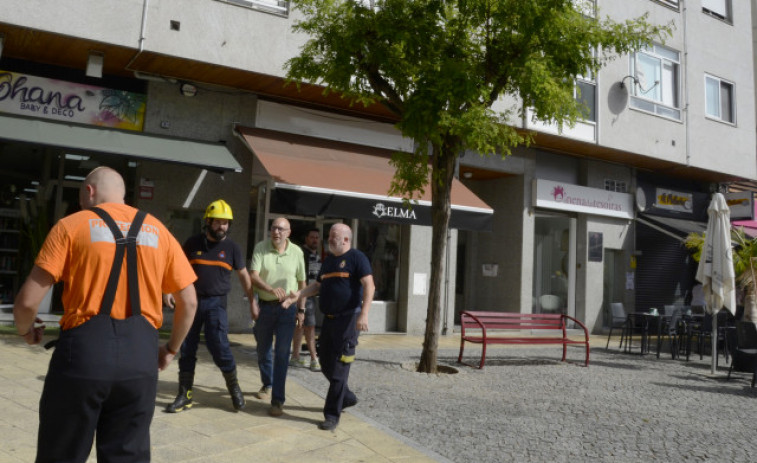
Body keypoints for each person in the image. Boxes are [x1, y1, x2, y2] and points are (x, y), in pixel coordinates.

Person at [13, 166, 197, 463]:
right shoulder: (159, 231)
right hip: (140, 361)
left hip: (83, 359)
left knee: (62, 453)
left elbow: (26, 303)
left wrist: (25, 331)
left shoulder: (71, 226)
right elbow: (188, 302)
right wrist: (170, 349)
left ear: (89, 191)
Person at [164, 199, 254, 413]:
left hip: (216, 304)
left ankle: (234, 388)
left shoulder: (232, 248)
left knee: (220, 347)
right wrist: (168, 290)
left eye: (225, 223)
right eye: (217, 222)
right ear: (208, 222)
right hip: (190, 303)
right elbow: (176, 267)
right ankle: (184, 395)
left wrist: (252, 302)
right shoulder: (193, 243)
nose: (221, 226)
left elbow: (243, 275)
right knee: (186, 349)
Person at [286, 223, 375, 431]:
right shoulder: (328, 262)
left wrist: (364, 313)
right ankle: (347, 397)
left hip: (348, 321)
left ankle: (332, 415)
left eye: (334, 236)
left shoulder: (357, 258)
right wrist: (299, 295)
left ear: (346, 239)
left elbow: (369, 286)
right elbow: (317, 285)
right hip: (330, 321)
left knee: (340, 367)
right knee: (325, 362)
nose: (329, 239)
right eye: (330, 235)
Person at [249, 217, 306, 417]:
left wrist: (301, 309)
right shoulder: (261, 248)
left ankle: (277, 400)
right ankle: (267, 383)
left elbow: (302, 283)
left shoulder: (297, 252)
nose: (277, 232)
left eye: (281, 229)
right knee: (263, 349)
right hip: (265, 307)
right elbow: (253, 276)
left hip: (287, 309)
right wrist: (270, 289)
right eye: (274, 228)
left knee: (282, 353)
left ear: (288, 232)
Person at [290, 228, 321, 372]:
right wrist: (301, 302)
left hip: (311, 296)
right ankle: (314, 359)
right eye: (312, 237)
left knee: (300, 326)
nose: (315, 240)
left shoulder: (317, 255)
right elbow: (302, 279)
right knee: (309, 327)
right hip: (304, 296)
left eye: (317, 237)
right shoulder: (303, 254)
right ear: (306, 239)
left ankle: (295, 356)